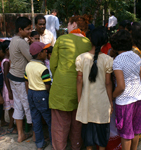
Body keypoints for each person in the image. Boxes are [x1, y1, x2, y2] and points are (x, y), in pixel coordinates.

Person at [49, 15, 92, 150]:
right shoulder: (89, 43)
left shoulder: (62, 40)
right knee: (77, 125)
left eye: (68, 24)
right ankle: (76, 147)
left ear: (74, 25)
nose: (67, 27)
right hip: (82, 89)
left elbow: (53, 65)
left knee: (60, 125)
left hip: (61, 89)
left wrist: (60, 79)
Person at [75, 27, 113, 150]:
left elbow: (79, 80)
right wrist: (111, 102)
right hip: (102, 103)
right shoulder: (108, 60)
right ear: (104, 42)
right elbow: (108, 83)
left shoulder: (81, 58)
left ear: (90, 40)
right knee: (102, 135)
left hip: (86, 102)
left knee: (88, 136)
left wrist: (80, 99)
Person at [110, 30, 141, 150]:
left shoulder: (118, 60)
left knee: (126, 134)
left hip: (124, 101)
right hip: (138, 97)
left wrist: (112, 96)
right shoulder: (137, 57)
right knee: (136, 130)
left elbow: (121, 86)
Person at [7, 17, 32, 142]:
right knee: (27, 105)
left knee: (18, 106)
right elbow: (31, 57)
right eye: (27, 29)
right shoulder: (21, 42)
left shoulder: (14, 39)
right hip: (20, 78)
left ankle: (21, 134)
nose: (30, 31)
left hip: (13, 76)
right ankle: (35, 134)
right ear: (20, 29)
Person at [24, 42, 51, 150]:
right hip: (42, 93)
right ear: (39, 54)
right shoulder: (43, 68)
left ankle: (39, 144)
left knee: (36, 120)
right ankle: (54, 141)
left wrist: (29, 93)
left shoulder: (28, 65)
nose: (46, 52)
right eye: (45, 51)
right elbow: (47, 85)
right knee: (49, 119)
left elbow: (26, 81)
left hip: (31, 92)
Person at [1, 40, 17, 134]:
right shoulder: (6, 62)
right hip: (8, 88)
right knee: (12, 108)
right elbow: (6, 77)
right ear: (7, 50)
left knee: (12, 108)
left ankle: (12, 124)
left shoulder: (7, 60)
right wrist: (10, 91)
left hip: (8, 87)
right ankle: (11, 125)